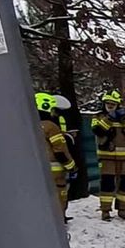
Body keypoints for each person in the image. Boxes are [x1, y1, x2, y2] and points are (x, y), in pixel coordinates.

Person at [92, 89, 125, 221]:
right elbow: (98, 131)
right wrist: (109, 119)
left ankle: (122, 210)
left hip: (124, 158)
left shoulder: (124, 117)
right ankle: (105, 211)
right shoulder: (98, 117)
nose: (110, 106)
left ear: (118, 105)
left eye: (113, 103)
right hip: (107, 156)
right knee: (107, 184)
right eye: (108, 103)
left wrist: (124, 119)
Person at [36, 92, 78, 221]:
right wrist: (72, 167)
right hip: (55, 171)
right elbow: (60, 151)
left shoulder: (29, 126)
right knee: (59, 195)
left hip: (37, 170)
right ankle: (59, 221)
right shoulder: (51, 126)